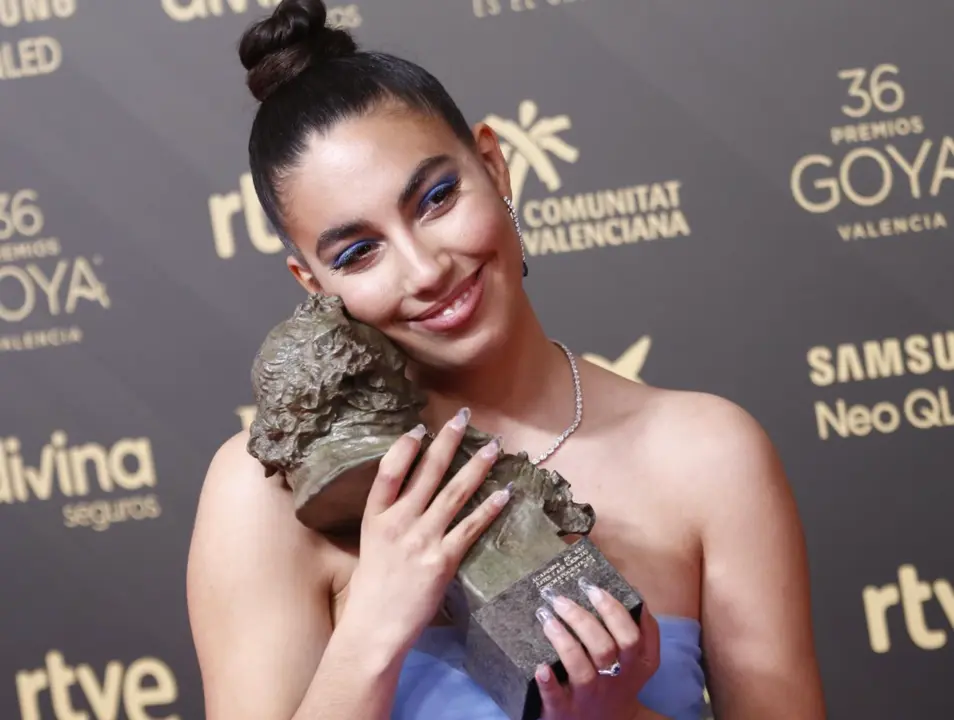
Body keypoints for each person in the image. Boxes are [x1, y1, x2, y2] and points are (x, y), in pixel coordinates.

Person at [185, 1, 827, 718]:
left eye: (435, 197)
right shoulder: (266, 496)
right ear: (314, 284)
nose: (425, 268)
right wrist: (372, 631)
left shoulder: (708, 457)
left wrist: (609, 715)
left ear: (492, 165)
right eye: (359, 252)